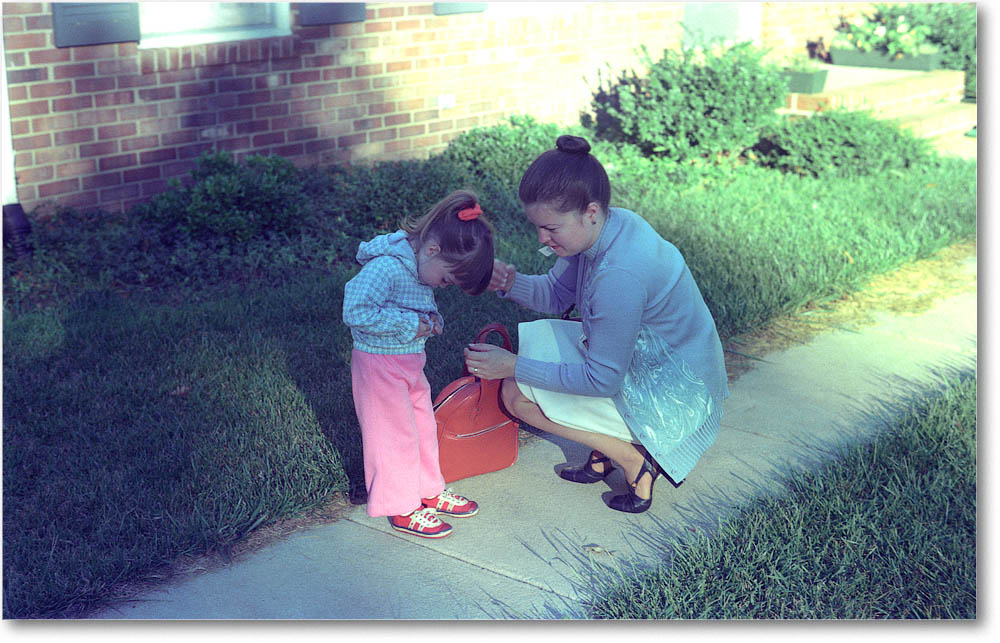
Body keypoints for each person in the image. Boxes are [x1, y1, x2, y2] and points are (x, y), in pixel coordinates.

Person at [463, 135, 729, 514]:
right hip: (659, 366)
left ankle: (634, 460)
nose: (542, 238)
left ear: (589, 211)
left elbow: (602, 380)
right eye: (537, 227)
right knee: (543, 343)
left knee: (515, 393)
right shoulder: (611, 225)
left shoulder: (619, 275)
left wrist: (513, 365)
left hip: (677, 399)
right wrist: (508, 282)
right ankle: (605, 451)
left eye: (551, 229)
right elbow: (557, 295)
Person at [343, 190, 495, 538]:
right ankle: (400, 504)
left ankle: (428, 489)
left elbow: (416, 304)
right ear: (432, 251)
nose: (442, 286)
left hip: (409, 363)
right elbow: (355, 311)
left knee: (421, 427)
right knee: (392, 435)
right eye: (446, 280)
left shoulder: (420, 266)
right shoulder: (386, 268)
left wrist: (431, 318)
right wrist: (412, 324)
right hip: (379, 366)